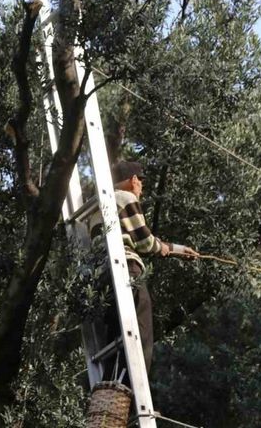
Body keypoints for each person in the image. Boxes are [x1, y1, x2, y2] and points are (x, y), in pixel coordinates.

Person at [88, 160, 198, 377]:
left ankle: (112, 393)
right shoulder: (126, 198)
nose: (141, 189)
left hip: (103, 277)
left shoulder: (97, 207)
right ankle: (134, 389)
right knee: (141, 331)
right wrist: (166, 249)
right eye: (141, 184)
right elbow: (145, 242)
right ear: (133, 180)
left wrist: (175, 248)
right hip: (126, 269)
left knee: (115, 333)